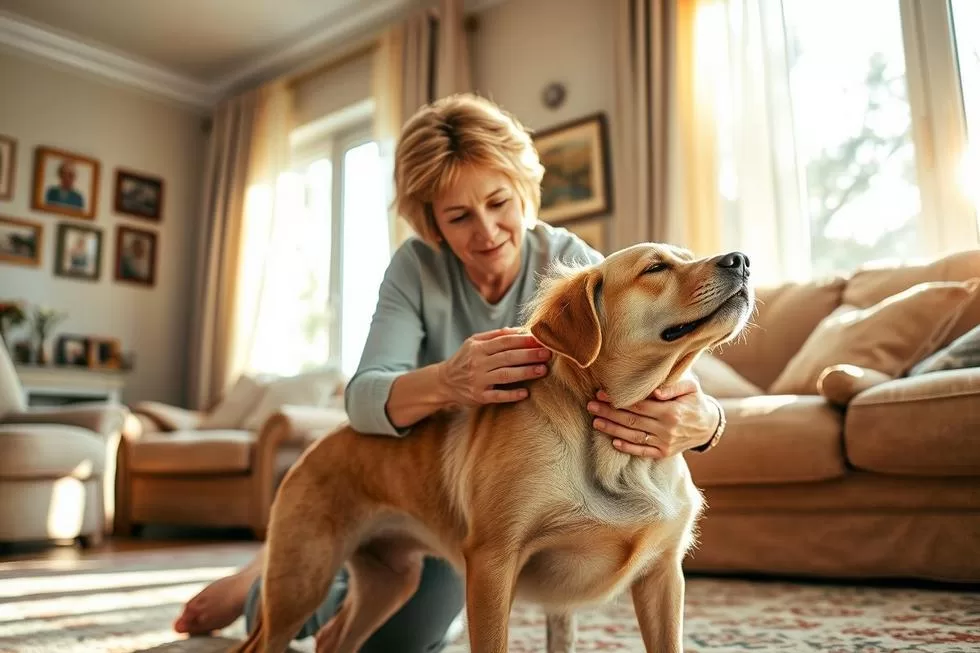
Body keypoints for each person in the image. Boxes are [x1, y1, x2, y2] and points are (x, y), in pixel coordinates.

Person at [173, 93, 726, 652]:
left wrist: (707, 420)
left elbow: (641, 356)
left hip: (482, 494)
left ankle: (294, 570)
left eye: (498, 202)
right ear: (432, 222)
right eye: (459, 216)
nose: (486, 231)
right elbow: (363, 398)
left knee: (400, 643)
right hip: (424, 484)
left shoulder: (572, 266)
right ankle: (260, 580)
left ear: (523, 191)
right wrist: (448, 380)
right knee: (296, 599)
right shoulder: (415, 268)